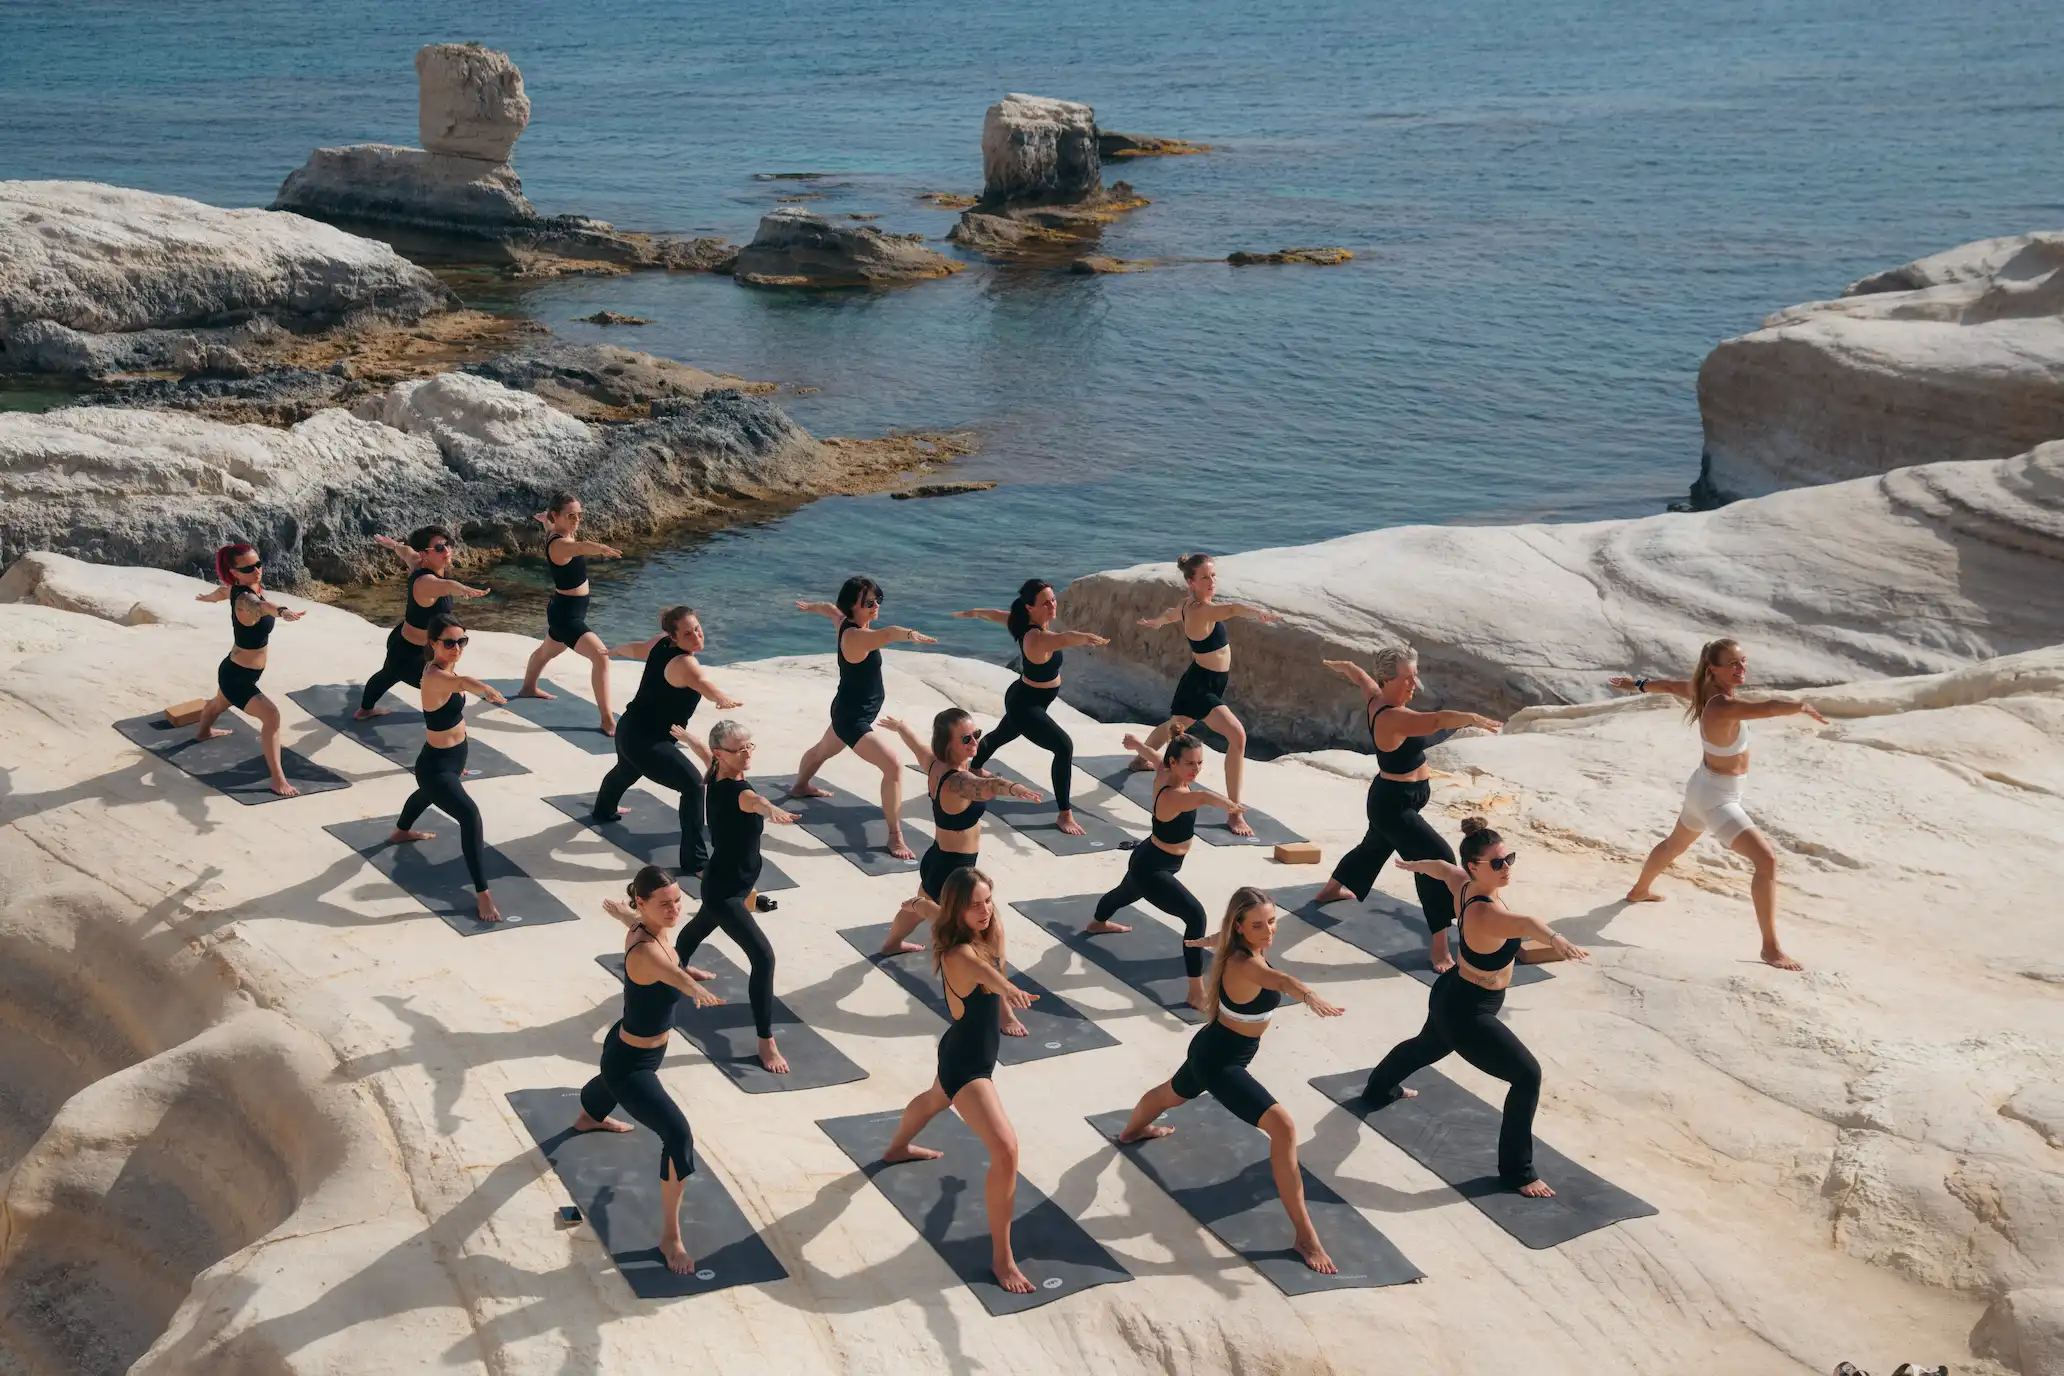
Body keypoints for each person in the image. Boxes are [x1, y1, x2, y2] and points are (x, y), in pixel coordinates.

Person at [1115, 887, 1346, 1273]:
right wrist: (1308, 996)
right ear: (1240, 926)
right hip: (1221, 1062)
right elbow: (1283, 980)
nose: (1269, 931)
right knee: (1284, 1128)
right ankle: (1305, 1236)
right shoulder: (1246, 964)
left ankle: (1131, 1132)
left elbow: (1222, 939)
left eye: (1272, 921)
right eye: (1258, 925)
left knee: (1172, 1094)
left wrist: (1206, 940)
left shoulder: (1239, 942)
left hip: (1212, 1048)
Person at [1361, 818, 1589, 1197]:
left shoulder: (1464, 885)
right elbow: (1529, 922)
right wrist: (1556, 938)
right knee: (1527, 1076)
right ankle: (1518, 1172)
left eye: (1508, 859)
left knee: (1427, 1046)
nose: (1507, 868)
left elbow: (1441, 868)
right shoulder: (1485, 911)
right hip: (1467, 1010)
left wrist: (1414, 866)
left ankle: (1378, 1088)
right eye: (1497, 863)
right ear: (1475, 868)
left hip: (1455, 993)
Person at [1609, 638, 1829, 971]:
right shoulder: (1721, 705)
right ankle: (1771, 949)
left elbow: (1667, 685)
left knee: (1673, 845)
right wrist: (1798, 706)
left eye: (1743, 662)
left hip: (1703, 787)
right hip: (1717, 800)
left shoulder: (1700, 691)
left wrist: (1635, 684)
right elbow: (1767, 707)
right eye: (1733, 664)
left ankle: (1639, 891)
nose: (1741, 669)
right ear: (1714, 669)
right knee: (1766, 861)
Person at [879, 867, 1041, 1295]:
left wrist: (915, 904)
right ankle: (1002, 1258)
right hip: (969, 1066)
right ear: (959, 909)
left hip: (963, 1050)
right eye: (975, 904)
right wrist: (1010, 991)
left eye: (988, 900)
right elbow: (988, 974)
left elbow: (934, 913)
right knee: (1006, 1149)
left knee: (935, 1098)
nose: (985, 910)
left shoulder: (969, 924)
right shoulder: (958, 954)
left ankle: (896, 1148)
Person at [1312, 648, 1504, 971]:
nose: (1415, 683)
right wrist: (1473, 718)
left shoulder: (1377, 696)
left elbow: (1359, 676)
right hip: (1393, 805)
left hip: (1401, 798)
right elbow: (1439, 720)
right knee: (1437, 859)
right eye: (1407, 678)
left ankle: (1329, 891)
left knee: (1373, 847)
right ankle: (1439, 947)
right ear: (1386, 681)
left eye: (1415, 674)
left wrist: (1343, 665)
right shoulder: (1392, 716)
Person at [574, 865, 723, 1275]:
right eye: (665, 904)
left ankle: (589, 1116)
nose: (675, 910)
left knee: (607, 1084)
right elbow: (669, 971)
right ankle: (670, 1238)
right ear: (643, 903)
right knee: (678, 1135)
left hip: (628, 1046)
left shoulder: (645, 925)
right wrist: (694, 986)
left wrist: (624, 914)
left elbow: (647, 936)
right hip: (631, 1064)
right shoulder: (645, 950)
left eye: (678, 901)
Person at [669, 720, 801, 1074]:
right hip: (726, 891)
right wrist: (769, 807)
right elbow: (754, 801)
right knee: (763, 957)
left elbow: (703, 752)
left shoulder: (716, 771)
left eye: (749, 747)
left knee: (698, 928)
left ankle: (674, 966)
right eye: (738, 749)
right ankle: (765, 1041)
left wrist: (688, 738)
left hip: (732, 883)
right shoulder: (739, 793)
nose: (746, 754)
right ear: (721, 754)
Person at [1125, 554, 1282, 838]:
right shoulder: (1201, 611)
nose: (1212, 582)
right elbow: (1233, 608)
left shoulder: (1189, 605)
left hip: (1201, 679)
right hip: (1202, 687)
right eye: (1205, 578)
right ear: (1191, 582)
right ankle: (1234, 812)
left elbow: (1173, 613)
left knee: (1176, 725)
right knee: (1238, 737)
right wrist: (1259, 613)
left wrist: (1158, 622)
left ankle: (1139, 759)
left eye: (1213, 576)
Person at [785, 577, 937, 861]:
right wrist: (911, 634)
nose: (875, 605)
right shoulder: (856, 637)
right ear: (853, 607)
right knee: (892, 766)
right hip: (852, 718)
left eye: (877, 599)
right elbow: (889, 633)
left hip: (848, 709)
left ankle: (800, 786)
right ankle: (895, 836)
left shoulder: (845, 622)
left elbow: (829, 609)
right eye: (869, 602)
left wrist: (810, 607)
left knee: (822, 750)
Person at [1089, 733, 1245, 1011]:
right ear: (1175, 763)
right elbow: (1204, 797)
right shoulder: (1174, 796)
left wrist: (1137, 745)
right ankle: (1195, 992)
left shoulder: (1166, 772)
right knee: (1195, 916)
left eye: (1199, 763)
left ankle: (1097, 923)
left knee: (1125, 893)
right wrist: (1230, 806)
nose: (1196, 770)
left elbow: (1155, 756)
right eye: (1190, 764)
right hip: (1153, 868)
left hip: (1148, 858)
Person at [876, 709, 1041, 969]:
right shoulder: (958, 782)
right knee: (990, 926)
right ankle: (991, 977)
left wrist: (901, 727)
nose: (975, 742)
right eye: (966, 739)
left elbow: (917, 745)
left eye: (976, 735)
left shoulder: (934, 764)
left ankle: (891, 943)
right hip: (955, 869)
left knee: (919, 907)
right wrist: (1012, 788)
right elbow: (987, 786)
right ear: (947, 743)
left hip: (939, 857)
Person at [591, 605, 742, 876]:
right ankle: (696, 862)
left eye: (697, 629)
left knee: (627, 770)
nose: (696, 637)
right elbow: (703, 683)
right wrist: (720, 697)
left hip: (629, 728)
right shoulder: (685, 663)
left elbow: (637, 649)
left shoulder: (659, 643)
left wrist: (615, 651)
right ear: (673, 638)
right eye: (687, 634)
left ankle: (603, 810)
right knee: (694, 786)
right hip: (646, 740)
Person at [955, 579, 1110, 836]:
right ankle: (1064, 814)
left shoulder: (1022, 621)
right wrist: (1084, 638)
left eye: (1053, 600)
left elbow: (996, 615)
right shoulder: (1038, 638)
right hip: (1026, 704)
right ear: (1030, 607)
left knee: (1001, 735)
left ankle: (972, 767)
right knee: (1063, 746)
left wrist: (973, 613)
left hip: (1025, 697)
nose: (1052, 605)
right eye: (1045, 602)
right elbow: (1064, 638)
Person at [388, 615, 509, 924]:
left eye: (462, 641)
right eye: (450, 642)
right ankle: (483, 893)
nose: (457, 648)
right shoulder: (433, 676)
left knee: (428, 794)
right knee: (469, 816)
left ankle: (401, 830)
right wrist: (485, 689)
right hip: (436, 766)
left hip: (453, 760)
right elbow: (462, 684)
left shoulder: (447, 668)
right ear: (433, 644)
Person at [191, 542, 307, 796]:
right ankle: (277, 779)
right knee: (272, 717)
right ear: (234, 571)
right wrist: (283, 611)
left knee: (221, 701)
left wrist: (208, 598)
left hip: (236, 669)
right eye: (248, 568)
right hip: (238, 677)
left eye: (258, 564)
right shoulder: (245, 598)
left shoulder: (240, 587)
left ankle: (203, 732)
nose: (256, 571)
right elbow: (263, 607)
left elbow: (223, 592)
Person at [515, 492, 623, 734]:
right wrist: (601, 548)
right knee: (601, 657)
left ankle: (528, 688)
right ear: (558, 516)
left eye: (579, 515)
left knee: (546, 651)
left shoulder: (558, 533)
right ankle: (607, 719)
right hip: (567, 615)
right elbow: (581, 546)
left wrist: (547, 521)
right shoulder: (561, 545)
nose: (576, 520)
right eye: (571, 516)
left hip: (564, 609)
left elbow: (561, 532)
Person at [356, 527, 490, 718]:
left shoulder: (417, 561)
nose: (447, 551)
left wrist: (392, 544)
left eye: (447, 545)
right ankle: (442, 738)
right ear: (424, 554)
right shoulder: (425, 581)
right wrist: (463, 589)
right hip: (409, 655)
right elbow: (446, 586)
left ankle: (365, 710)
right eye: (439, 548)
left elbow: (405, 551)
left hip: (406, 642)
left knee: (388, 675)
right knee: (450, 694)